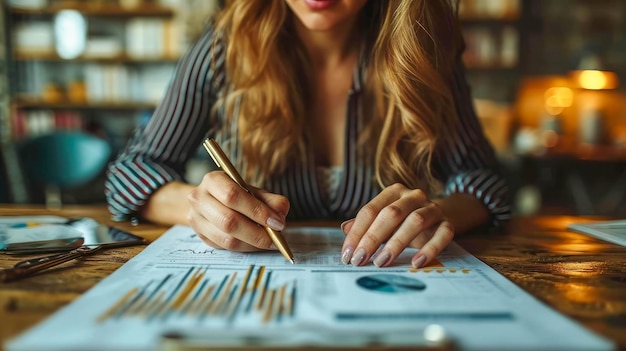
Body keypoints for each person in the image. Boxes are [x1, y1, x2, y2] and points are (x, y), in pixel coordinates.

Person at [105, 0, 510, 269]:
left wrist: (436, 214)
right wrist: (198, 206)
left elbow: (485, 182)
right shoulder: (223, 49)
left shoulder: (425, 52)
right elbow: (130, 175)